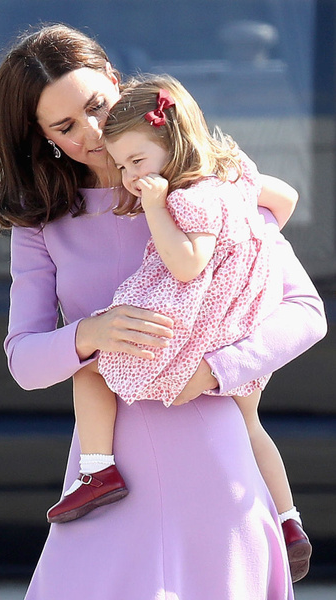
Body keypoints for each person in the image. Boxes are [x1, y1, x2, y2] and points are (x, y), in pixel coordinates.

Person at [0, 24, 327, 600]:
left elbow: (304, 311)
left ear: (117, 82)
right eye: (65, 127)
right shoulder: (42, 221)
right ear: (40, 136)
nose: (93, 133)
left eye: (97, 106)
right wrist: (90, 334)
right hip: (103, 478)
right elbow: (24, 361)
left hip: (214, 459)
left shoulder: (204, 182)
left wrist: (215, 371)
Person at [45, 75, 311, 582]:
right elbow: (287, 198)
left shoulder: (186, 200)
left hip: (190, 333)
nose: (129, 176)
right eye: (123, 166)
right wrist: (249, 231)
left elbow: (187, 264)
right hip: (238, 323)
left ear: (174, 143)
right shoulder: (234, 176)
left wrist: (155, 208)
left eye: (136, 161)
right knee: (250, 424)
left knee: (93, 367)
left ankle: (97, 469)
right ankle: (287, 517)